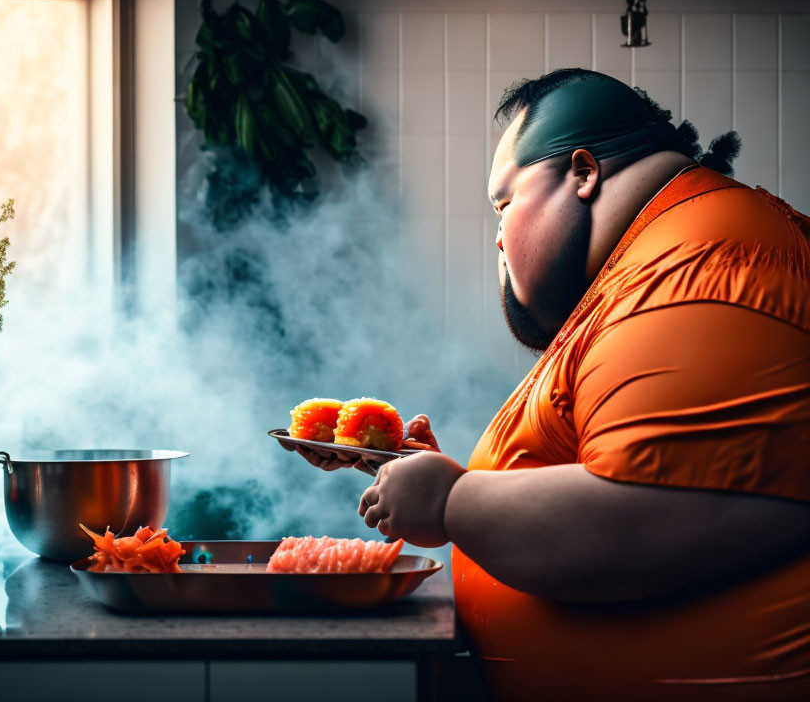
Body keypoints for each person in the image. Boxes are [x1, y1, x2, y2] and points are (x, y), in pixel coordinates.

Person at [286, 69, 810, 701]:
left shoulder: (708, 259)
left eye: (503, 204)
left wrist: (453, 504)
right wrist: (422, 475)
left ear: (583, 173)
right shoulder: (653, 266)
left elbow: (635, 523)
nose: (500, 239)